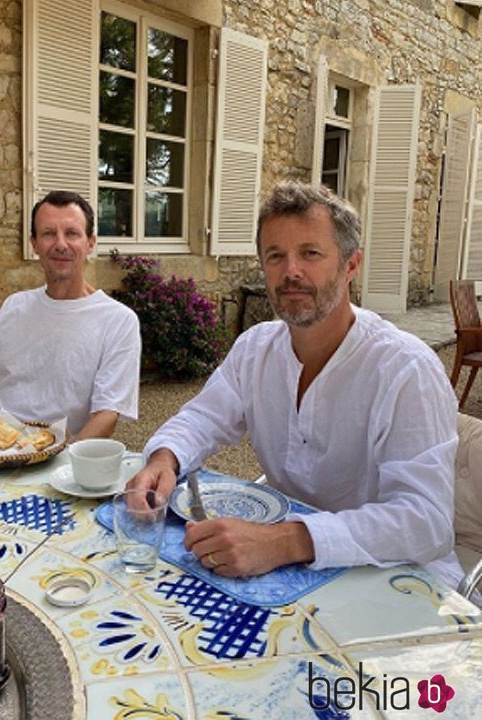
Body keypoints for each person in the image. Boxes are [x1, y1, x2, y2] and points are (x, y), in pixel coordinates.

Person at [130, 181, 462, 589]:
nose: (291, 272)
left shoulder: (405, 369)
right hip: (288, 575)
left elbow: (426, 523)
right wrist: (165, 459)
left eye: (310, 253)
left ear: (351, 265)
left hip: (396, 582)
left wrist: (287, 540)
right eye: (276, 256)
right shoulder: (256, 348)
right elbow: (201, 418)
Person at [0, 190, 141, 441]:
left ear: (90, 242)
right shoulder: (14, 306)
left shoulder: (117, 321)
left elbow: (106, 415)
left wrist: (64, 470)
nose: (60, 244)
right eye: (48, 233)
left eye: (72, 233)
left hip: (53, 458)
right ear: (34, 243)